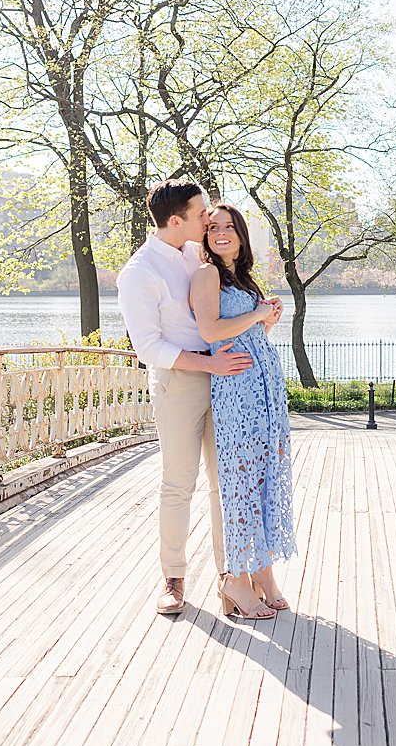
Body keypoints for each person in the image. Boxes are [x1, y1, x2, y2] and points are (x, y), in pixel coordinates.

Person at [117, 178, 254, 616]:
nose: (208, 221)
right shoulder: (139, 273)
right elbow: (148, 348)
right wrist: (208, 364)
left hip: (225, 377)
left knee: (225, 482)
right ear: (175, 221)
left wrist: (260, 313)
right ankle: (173, 578)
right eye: (199, 215)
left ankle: (229, 577)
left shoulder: (197, 254)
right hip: (179, 381)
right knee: (178, 483)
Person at [189, 203, 297, 620]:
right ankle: (235, 577)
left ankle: (263, 574)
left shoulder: (242, 276)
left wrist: (264, 319)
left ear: (241, 234)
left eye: (228, 227)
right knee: (240, 483)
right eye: (212, 227)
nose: (220, 233)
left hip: (263, 388)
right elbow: (210, 331)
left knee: (265, 476)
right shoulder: (206, 273)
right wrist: (255, 314)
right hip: (236, 389)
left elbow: (244, 326)